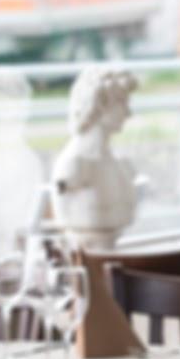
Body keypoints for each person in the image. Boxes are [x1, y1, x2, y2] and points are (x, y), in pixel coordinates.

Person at [51, 66, 139, 249]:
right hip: (87, 263)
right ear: (98, 104)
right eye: (122, 102)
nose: (129, 113)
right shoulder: (75, 165)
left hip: (114, 261)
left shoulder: (120, 163)